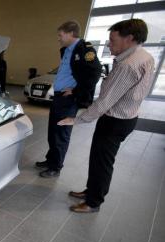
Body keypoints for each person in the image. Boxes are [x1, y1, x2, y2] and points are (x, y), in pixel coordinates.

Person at [58, 19, 155, 213]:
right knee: (99, 159)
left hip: (115, 121)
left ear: (129, 38)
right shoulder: (145, 56)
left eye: (112, 40)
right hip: (127, 117)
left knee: (101, 162)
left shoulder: (127, 65)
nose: (109, 44)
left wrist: (77, 120)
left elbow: (103, 102)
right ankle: (91, 191)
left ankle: (93, 202)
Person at [36, 21, 102, 178]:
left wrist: (76, 90)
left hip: (69, 99)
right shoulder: (67, 49)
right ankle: (50, 159)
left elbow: (95, 73)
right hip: (59, 97)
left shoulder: (84, 50)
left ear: (71, 33)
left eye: (61, 35)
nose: (59, 38)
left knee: (61, 133)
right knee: (53, 131)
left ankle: (55, 167)